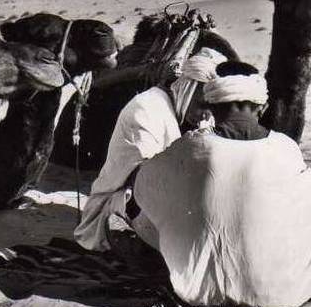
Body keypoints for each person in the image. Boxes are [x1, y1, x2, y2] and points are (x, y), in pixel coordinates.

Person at [132, 61, 311, 307]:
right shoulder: (282, 147)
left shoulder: (189, 148)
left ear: (211, 105)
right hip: (277, 292)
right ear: (262, 106)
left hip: (199, 291)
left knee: (153, 214)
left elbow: (144, 185)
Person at [73, 47, 227, 252]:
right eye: (202, 105)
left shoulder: (197, 115)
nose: (207, 115)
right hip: (123, 205)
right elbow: (147, 180)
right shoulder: (146, 109)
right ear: (189, 88)